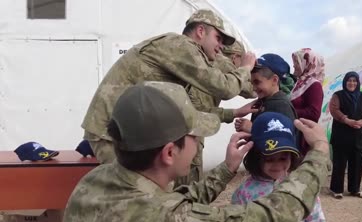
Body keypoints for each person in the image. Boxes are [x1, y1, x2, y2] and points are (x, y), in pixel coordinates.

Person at [55, 81, 331, 222]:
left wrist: (226, 169)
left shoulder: (95, 181)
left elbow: (172, 203)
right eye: (195, 136)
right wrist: (318, 151)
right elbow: (270, 220)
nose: (199, 144)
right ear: (169, 153)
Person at [81, 9, 256, 164]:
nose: (220, 47)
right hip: (113, 133)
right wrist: (246, 68)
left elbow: (185, 110)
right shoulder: (180, 46)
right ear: (201, 31)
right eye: (218, 38)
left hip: (124, 129)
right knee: (136, 191)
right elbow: (225, 88)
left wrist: (232, 113)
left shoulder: (180, 53)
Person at [231, 112, 325, 222]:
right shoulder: (244, 193)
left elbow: (315, 221)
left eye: (283, 158)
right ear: (256, 157)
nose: (277, 165)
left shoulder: (301, 185)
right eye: (269, 158)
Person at [176, 40, 257, 188]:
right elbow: (251, 90)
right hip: (195, 126)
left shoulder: (204, 58)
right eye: (240, 60)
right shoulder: (224, 62)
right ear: (234, 57)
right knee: (191, 177)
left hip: (189, 119)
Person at [329, 71, 362, 199]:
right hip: (341, 135)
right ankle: (336, 189)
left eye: (354, 81)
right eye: (349, 80)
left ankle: (355, 189)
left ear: (358, 82)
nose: (352, 83)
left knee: (356, 162)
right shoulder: (338, 95)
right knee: (340, 162)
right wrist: (346, 120)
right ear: (345, 82)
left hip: (358, 134)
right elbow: (334, 109)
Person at [235, 53, 297, 133]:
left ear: (274, 80)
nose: (253, 88)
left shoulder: (282, 106)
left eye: (257, 82)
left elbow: (284, 139)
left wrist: (253, 129)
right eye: (252, 83)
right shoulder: (262, 102)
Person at [291, 48, 326, 156]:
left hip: (303, 135)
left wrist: (288, 110)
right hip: (295, 130)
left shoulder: (314, 85)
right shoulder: (300, 83)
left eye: (297, 62)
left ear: (307, 63)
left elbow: (314, 113)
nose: (294, 66)